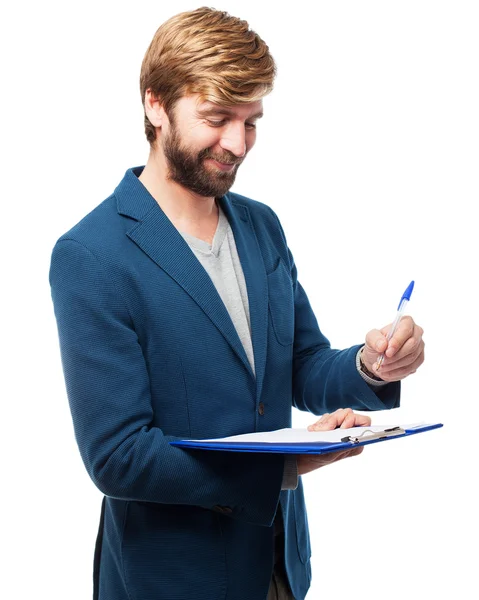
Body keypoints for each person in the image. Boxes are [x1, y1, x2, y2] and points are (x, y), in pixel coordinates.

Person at [49, 7, 425, 600]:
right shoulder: (91, 254)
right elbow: (118, 457)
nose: (237, 143)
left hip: (277, 564)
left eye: (251, 121)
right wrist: (280, 468)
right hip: (171, 577)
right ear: (155, 105)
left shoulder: (260, 226)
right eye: (217, 118)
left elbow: (301, 363)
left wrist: (370, 366)